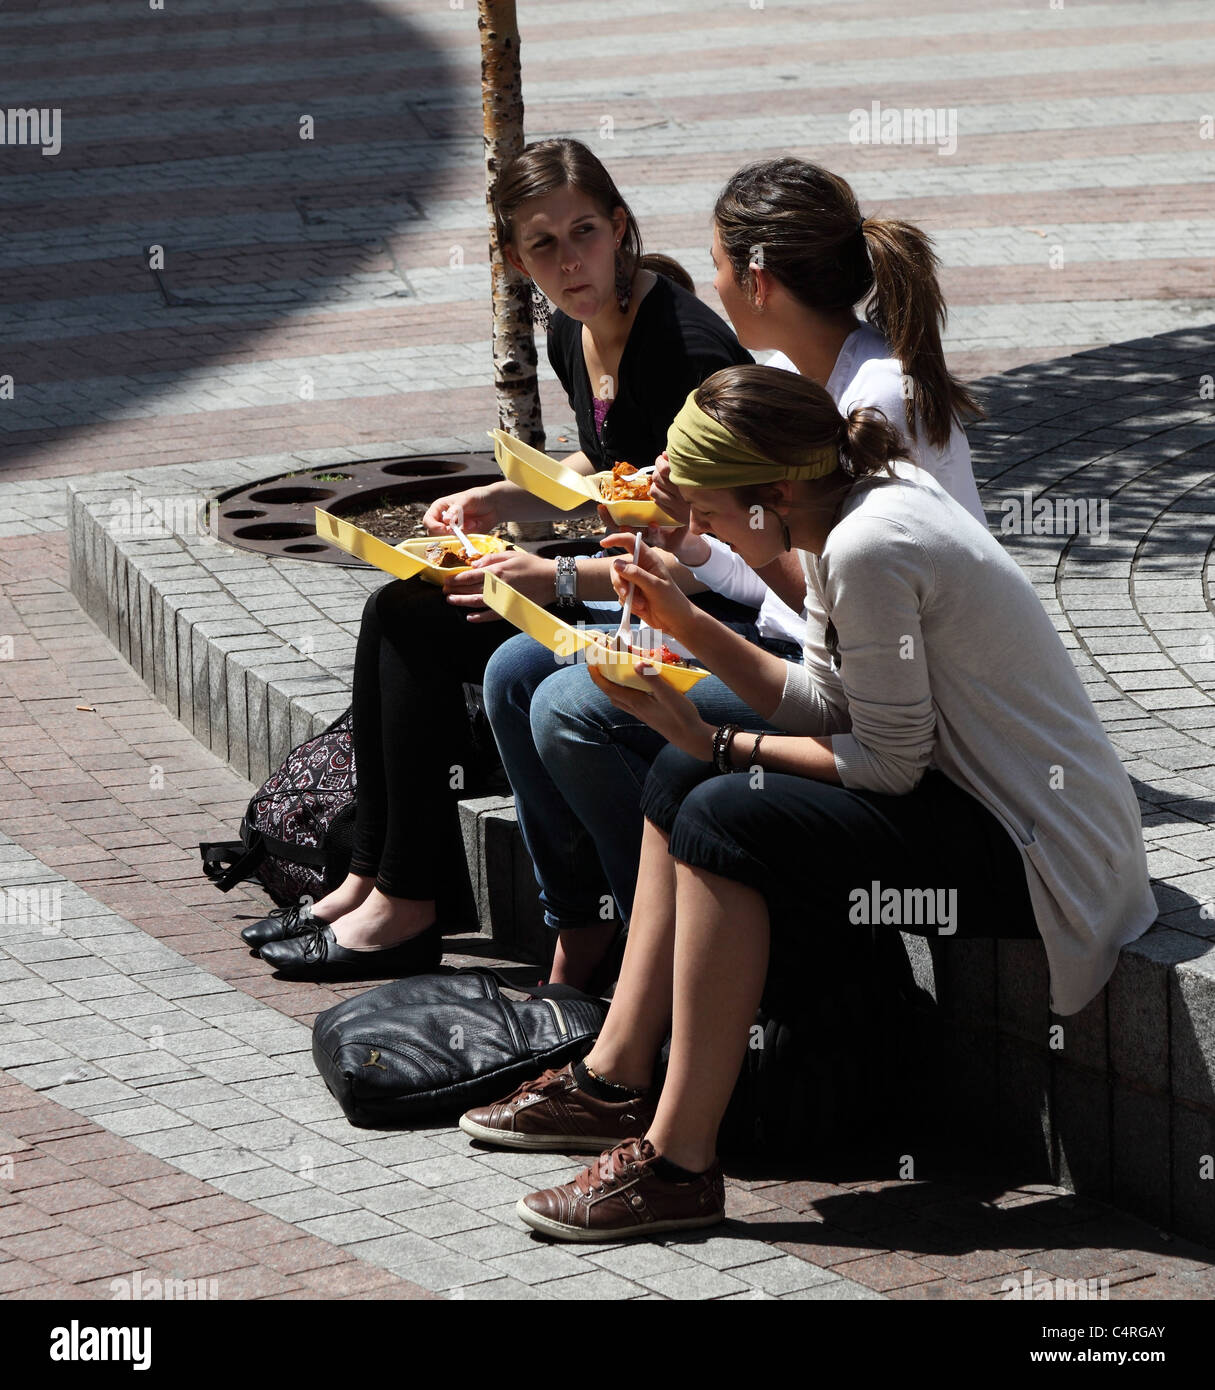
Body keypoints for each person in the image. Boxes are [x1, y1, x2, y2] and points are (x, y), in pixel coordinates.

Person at [460, 366, 1157, 1242]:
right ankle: (616, 1081)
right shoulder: (847, 505)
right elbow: (830, 704)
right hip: (978, 800)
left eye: (706, 512)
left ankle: (678, 1166)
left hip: (1045, 853)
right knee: (678, 783)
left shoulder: (867, 546)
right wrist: (685, 627)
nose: (692, 527)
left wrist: (710, 739)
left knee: (716, 807)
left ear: (774, 493)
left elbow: (887, 762)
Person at [243, 138, 751, 980]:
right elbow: (610, 464)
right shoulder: (573, 330)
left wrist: (544, 574)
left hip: (694, 608)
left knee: (420, 625)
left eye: (583, 233)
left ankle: (408, 902)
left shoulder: (685, 354)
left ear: (619, 227)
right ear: (513, 257)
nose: (567, 259)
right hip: (633, 584)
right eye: (541, 245)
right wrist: (506, 499)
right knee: (397, 605)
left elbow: (708, 547)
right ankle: (373, 872)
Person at [482, 156, 985, 987]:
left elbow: (833, 608)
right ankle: (604, 939)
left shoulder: (872, 400)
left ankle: (658, 960)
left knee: (577, 704)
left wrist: (678, 585)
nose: (705, 285)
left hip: (873, 688)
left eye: (715, 264)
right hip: (812, 648)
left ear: (755, 280)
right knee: (516, 668)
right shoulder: (786, 378)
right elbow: (782, 579)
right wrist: (686, 542)